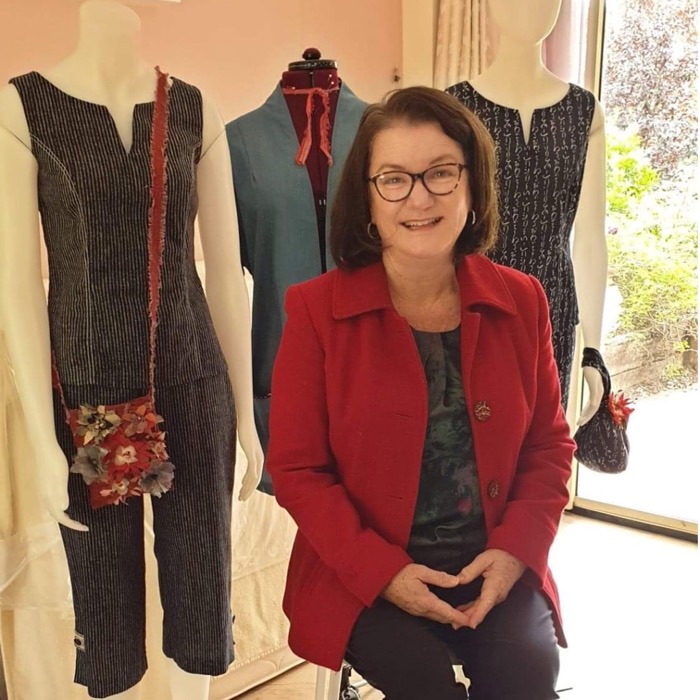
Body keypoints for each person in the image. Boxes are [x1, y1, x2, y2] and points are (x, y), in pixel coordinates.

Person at [266, 86, 575, 700]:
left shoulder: (523, 299)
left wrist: (515, 553)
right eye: (394, 179)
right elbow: (298, 469)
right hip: (363, 570)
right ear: (368, 198)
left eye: (440, 173)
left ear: (470, 184)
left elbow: (549, 446)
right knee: (425, 685)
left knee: (527, 674)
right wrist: (385, 573)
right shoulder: (315, 310)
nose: (420, 197)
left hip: (493, 556)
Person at [0, 1, 262, 698]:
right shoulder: (23, 107)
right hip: (89, 398)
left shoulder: (193, 109)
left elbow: (229, 278)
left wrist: (248, 418)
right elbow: (17, 287)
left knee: (201, 587)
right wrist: (35, 431)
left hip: (192, 379)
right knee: (105, 605)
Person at [446, 0, 608, 416]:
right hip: (475, 304)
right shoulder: (454, 109)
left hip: (552, 305)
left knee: (542, 447)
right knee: (474, 451)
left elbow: (589, 236)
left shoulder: (584, 111)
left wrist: (594, 349)